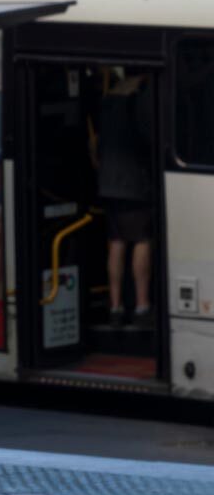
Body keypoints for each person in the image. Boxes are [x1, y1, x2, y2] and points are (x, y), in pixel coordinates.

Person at [90, 66, 156, 328]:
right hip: (133, 182)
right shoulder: (138, 99)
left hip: (107, 182)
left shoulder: (108, 99)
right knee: (142, 240)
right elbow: (149, 137)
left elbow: (96, 142)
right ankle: (142, 305)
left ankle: (115, 306)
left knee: (116, 242)